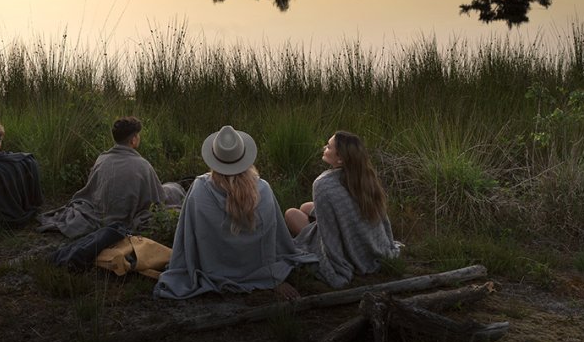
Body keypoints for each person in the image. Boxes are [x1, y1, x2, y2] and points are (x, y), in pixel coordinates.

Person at [154, 125, 314, 299]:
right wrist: (273, 275)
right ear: (244, 157)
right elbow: (274, 237)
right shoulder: (263, 189)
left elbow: (186, 234)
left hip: (212, 268)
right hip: (258, 269)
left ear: (214, 158)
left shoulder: (199, 189)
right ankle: (263, 277)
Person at [285, 131, 401, 288]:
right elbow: (380, 219)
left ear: (340, 158)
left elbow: (328, 232)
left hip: (345, 244)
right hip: (364, 235)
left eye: (329, 147)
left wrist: (327, 253)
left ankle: (307, 235)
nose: (324, 148)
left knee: (291, 214)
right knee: (305, 207)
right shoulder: (365, 175)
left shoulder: (323, 184)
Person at [38, 116, 178, 238]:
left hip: (102, 211)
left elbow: (92, 190)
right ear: (134, 140)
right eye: (138, 135)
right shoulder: (143, 165)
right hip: (124, 217)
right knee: (173, 188)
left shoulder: (102, 159)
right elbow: (157, 199)